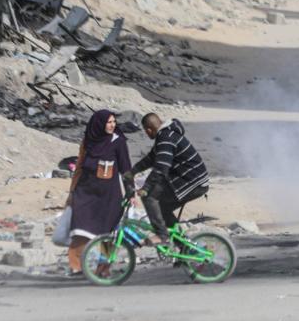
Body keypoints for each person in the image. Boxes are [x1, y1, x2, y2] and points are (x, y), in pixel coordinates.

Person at [65, 110, 132, 275]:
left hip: (109, 194)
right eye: (108, 122)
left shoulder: (118, 141)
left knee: (108, 230)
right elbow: (80, 166)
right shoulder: (89, 141)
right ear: (99, 124)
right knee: (79, 226)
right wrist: (72, 192)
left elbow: (126, 168)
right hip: (85, 191)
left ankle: (104, 268)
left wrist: (131, 192)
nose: (112, 125)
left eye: (114, 122)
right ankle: (76, 266)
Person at [127, 113, 210, 242]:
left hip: (193, 181)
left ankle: (162, 235)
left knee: (149, 197)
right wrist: (132, 171)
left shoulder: (165, 138)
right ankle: (184, 248)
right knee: (162, 209)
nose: (147, 134)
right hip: (189, 179)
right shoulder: (166, 134)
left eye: (146, 131)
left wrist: (146, 187)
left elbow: (161, 168)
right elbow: (152, 158)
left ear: (149, 129)